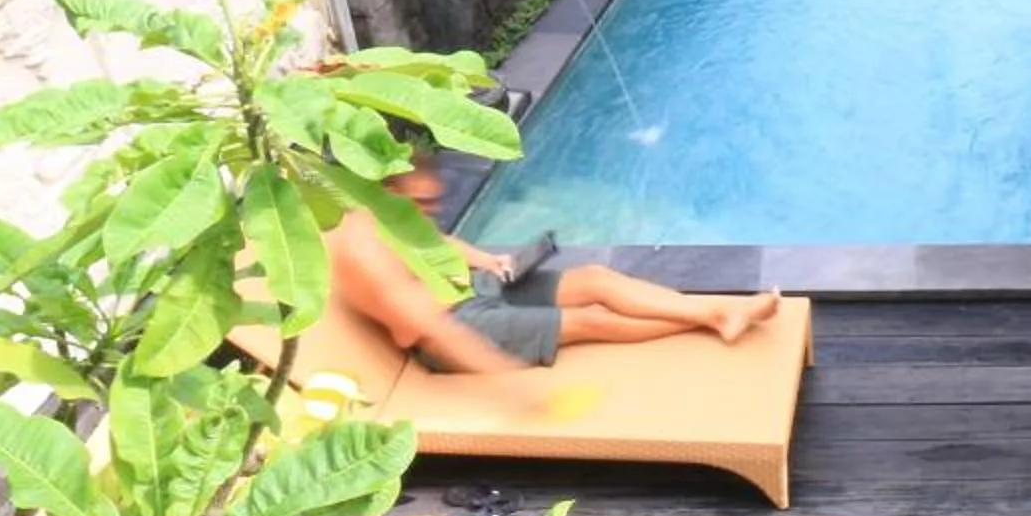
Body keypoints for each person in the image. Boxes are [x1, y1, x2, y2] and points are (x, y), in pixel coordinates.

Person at [328, 147, 779, 374]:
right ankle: (713, 318)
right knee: (592, 319)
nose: (429, 214)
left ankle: (717, 312)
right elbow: (418, 329)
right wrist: (501, 377)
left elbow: (438, 242)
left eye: (431, 205)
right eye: (421, 204)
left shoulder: (393, 213)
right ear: (387, 191)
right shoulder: (365, 255)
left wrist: (488, 260)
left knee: (595, 279)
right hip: (456, 324)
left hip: (474, 289)